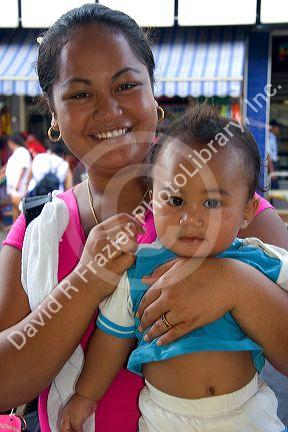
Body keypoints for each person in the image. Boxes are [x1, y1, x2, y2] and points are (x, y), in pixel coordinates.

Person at [0, 4, 288, 432]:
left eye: (126, 85)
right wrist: (86, 283)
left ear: (154, 97)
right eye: (80, 94)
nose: (108, 109)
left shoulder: (227, 212)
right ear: (53, 113)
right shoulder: (39, 227)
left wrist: (236, 284)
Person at [60, 105, 288, 432]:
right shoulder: (139, 269)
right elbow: (112, 338)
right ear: (153, 199)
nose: (190, 219)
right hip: (163, 418)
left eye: (211, 203)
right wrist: (85, 395)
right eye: (176, 201)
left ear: (248, 211)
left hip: (248, 413)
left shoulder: (256, 260)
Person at [5, 133, 31, 221]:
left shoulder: (22, 151)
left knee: (20, 207)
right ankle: (15, 227)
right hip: (15, 186)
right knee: (15, 207)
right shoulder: (17, 152)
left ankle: (25, 225)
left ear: (11, 142)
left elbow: (24, 167)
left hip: (19, 185)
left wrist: (19, 183)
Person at [267, 119, 281, 189]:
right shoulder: (268, 137)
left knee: (274, 188)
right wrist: (271, 170)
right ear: (272, 127)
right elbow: (268, 154)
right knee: (273, 188)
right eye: (277, 127)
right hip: (270, 165)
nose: (279, 129)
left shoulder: (273, 137)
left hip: (274, 164)